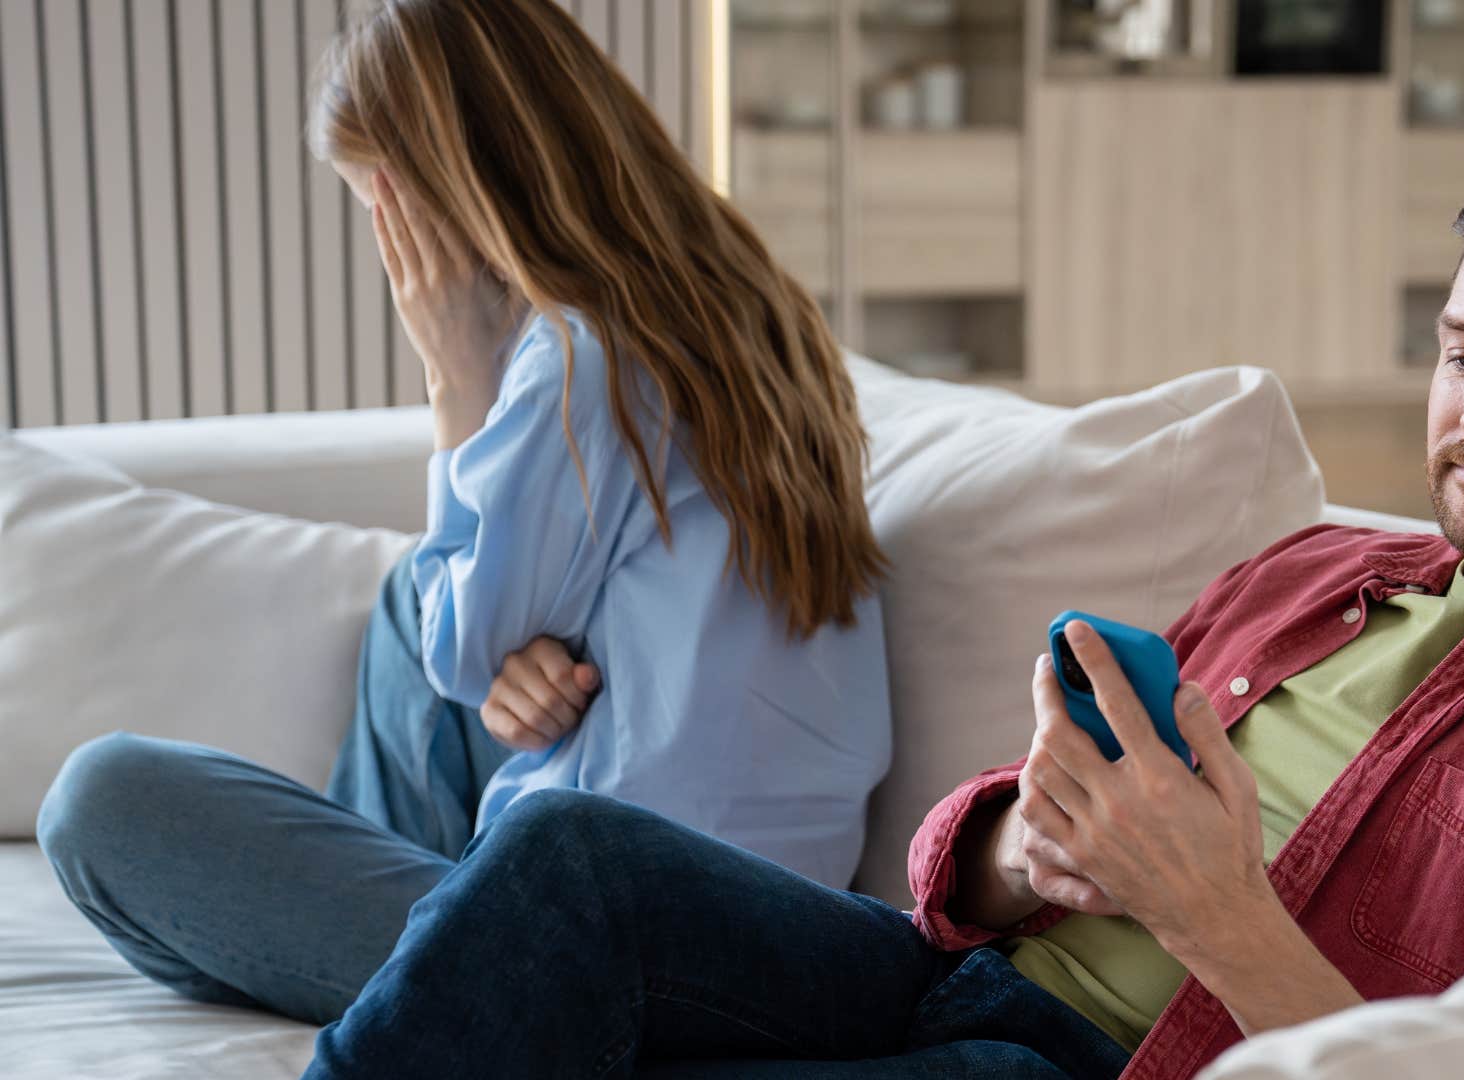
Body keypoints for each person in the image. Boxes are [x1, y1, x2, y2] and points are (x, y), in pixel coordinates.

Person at [302, 149, 1464, 1080]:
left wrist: (1213, 913)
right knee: (560, 854)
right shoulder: (1318, 574)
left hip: (1111, 1068)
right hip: (957, 975)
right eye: (1459, 353)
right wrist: (1023, 847)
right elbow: (958, 863)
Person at [34, 0, 891, 1030]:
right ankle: (381, 943)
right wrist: (499, 666)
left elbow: (468, 649)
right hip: (757, 919)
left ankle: (399, 977)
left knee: (103, 802)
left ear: (443, 195)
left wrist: (455, 383)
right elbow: (480, 653)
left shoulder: (579, 362)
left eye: (379, 213)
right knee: (409, 602)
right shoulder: (752, 311)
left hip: (627, 943)